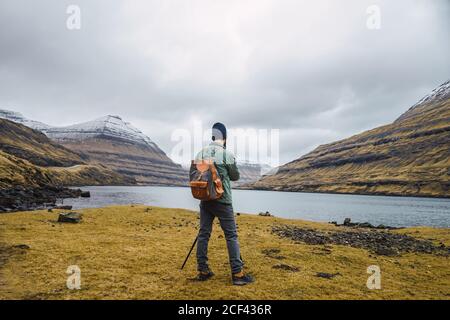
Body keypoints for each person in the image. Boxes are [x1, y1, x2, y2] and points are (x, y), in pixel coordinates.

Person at [194, 122, 254, 286]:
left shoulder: (201, 153)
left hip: (205, 199)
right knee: (231, 236)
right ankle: (238, 273)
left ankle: (203, 270)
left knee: (204, 233)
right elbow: (235, 176)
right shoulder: (226, 154)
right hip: (223, 200)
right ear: (224, 137)